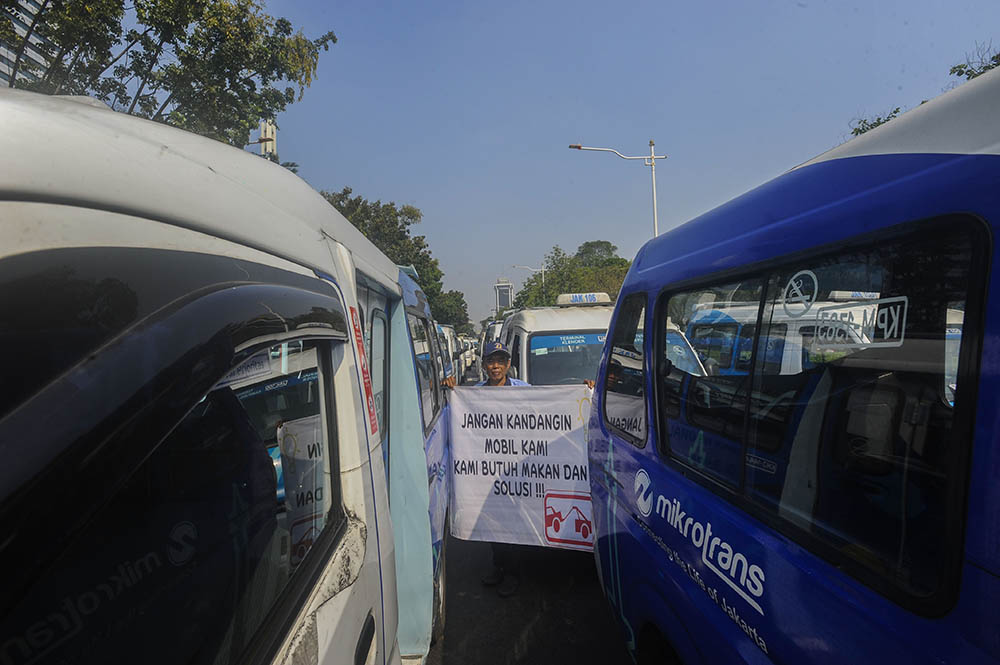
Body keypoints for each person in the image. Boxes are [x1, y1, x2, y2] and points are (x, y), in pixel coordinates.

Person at [476, 340, 528, 596]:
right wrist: (448, 388)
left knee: (513, 522)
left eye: (500, 361)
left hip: (515, 469)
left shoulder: (524, 390)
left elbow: (550, 405)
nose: (495, 366)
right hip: (488, 470)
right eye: (490, 361)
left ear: (508, 365)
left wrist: (584, 391)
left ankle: (513, 574)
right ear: (484, 365)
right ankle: (498, 566)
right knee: (493, 521)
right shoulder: (473, 394)